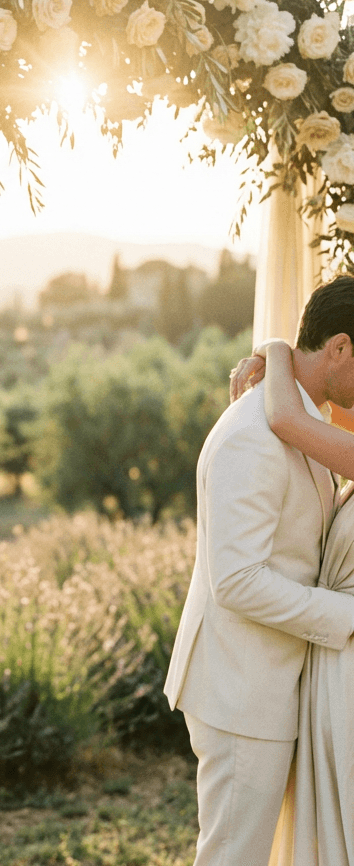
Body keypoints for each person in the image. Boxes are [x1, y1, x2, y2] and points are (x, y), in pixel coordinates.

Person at [164, 273, 354, 866]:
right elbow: (238, 580)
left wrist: (273, 351)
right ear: (342, 347)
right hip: (241, 692)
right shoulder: (255, 433)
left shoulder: (298, 419)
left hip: (275, 684)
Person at [229, 284, 354, 865]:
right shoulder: (296, 428)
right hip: (315, 667)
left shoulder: (289, 418)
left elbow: (282, 413)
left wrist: (275, 348)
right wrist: (277, 352)